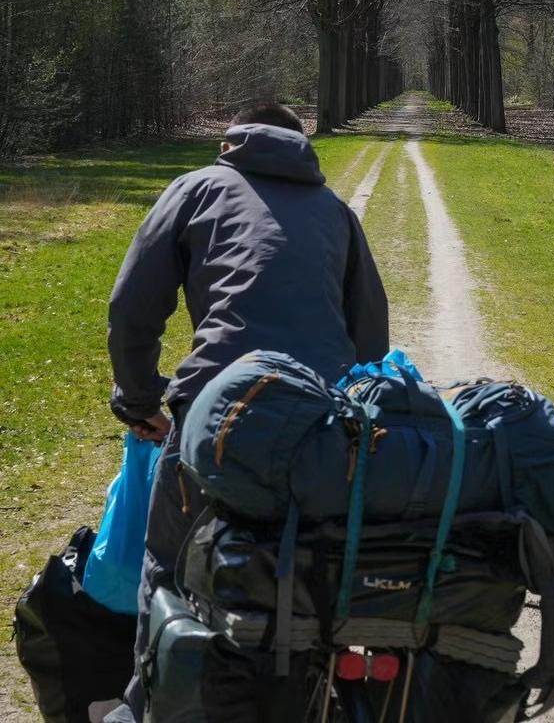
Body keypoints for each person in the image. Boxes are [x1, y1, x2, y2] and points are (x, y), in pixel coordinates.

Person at [103, 102, 388, 723]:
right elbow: (372, 340)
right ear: (301, 144)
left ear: (232, 138)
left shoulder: (196, 189)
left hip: (216, 413)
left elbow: (131, 308)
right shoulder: (336, 212)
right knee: (316, 565)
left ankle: (150, 704)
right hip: (321, 422)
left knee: (170, 569)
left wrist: (140, 401)